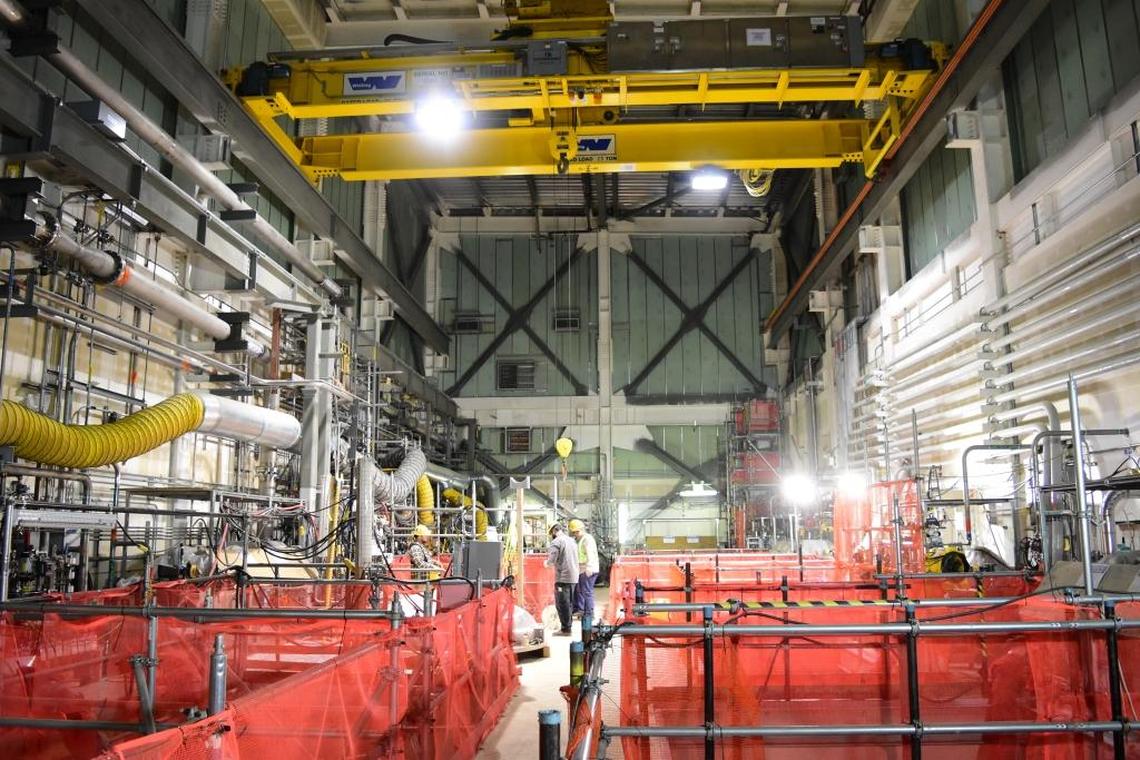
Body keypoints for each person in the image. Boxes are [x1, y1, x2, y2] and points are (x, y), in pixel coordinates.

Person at [544, 523, 579, 636]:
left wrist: (546, 563)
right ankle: (568, 626)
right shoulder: (572, 541)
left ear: (554, 531)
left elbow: (551, 561)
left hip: (563, 578)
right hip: (573, 577)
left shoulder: (556, 542)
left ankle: (565, 629)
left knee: (562, 603)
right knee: (569, 603)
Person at [569, 518, 599, 620]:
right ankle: (583, 611)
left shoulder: (587, 539)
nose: (575, 534)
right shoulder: (580, 540)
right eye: (574, 533)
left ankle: (590, 613)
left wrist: (589, 567)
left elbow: (590, 553)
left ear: (580, 530)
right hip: (582, 569)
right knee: (581, 591)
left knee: (587, 592)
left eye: (576, 532)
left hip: (589, 569)